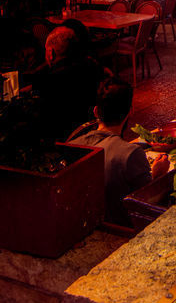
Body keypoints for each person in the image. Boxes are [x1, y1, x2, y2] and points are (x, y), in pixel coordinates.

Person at [68, 78, 168, 225]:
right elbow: (146, 202)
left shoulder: (72, 146)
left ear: (96, 111)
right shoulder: (130, 154)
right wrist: (158, 175)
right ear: (130, 111)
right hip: (121, 230)